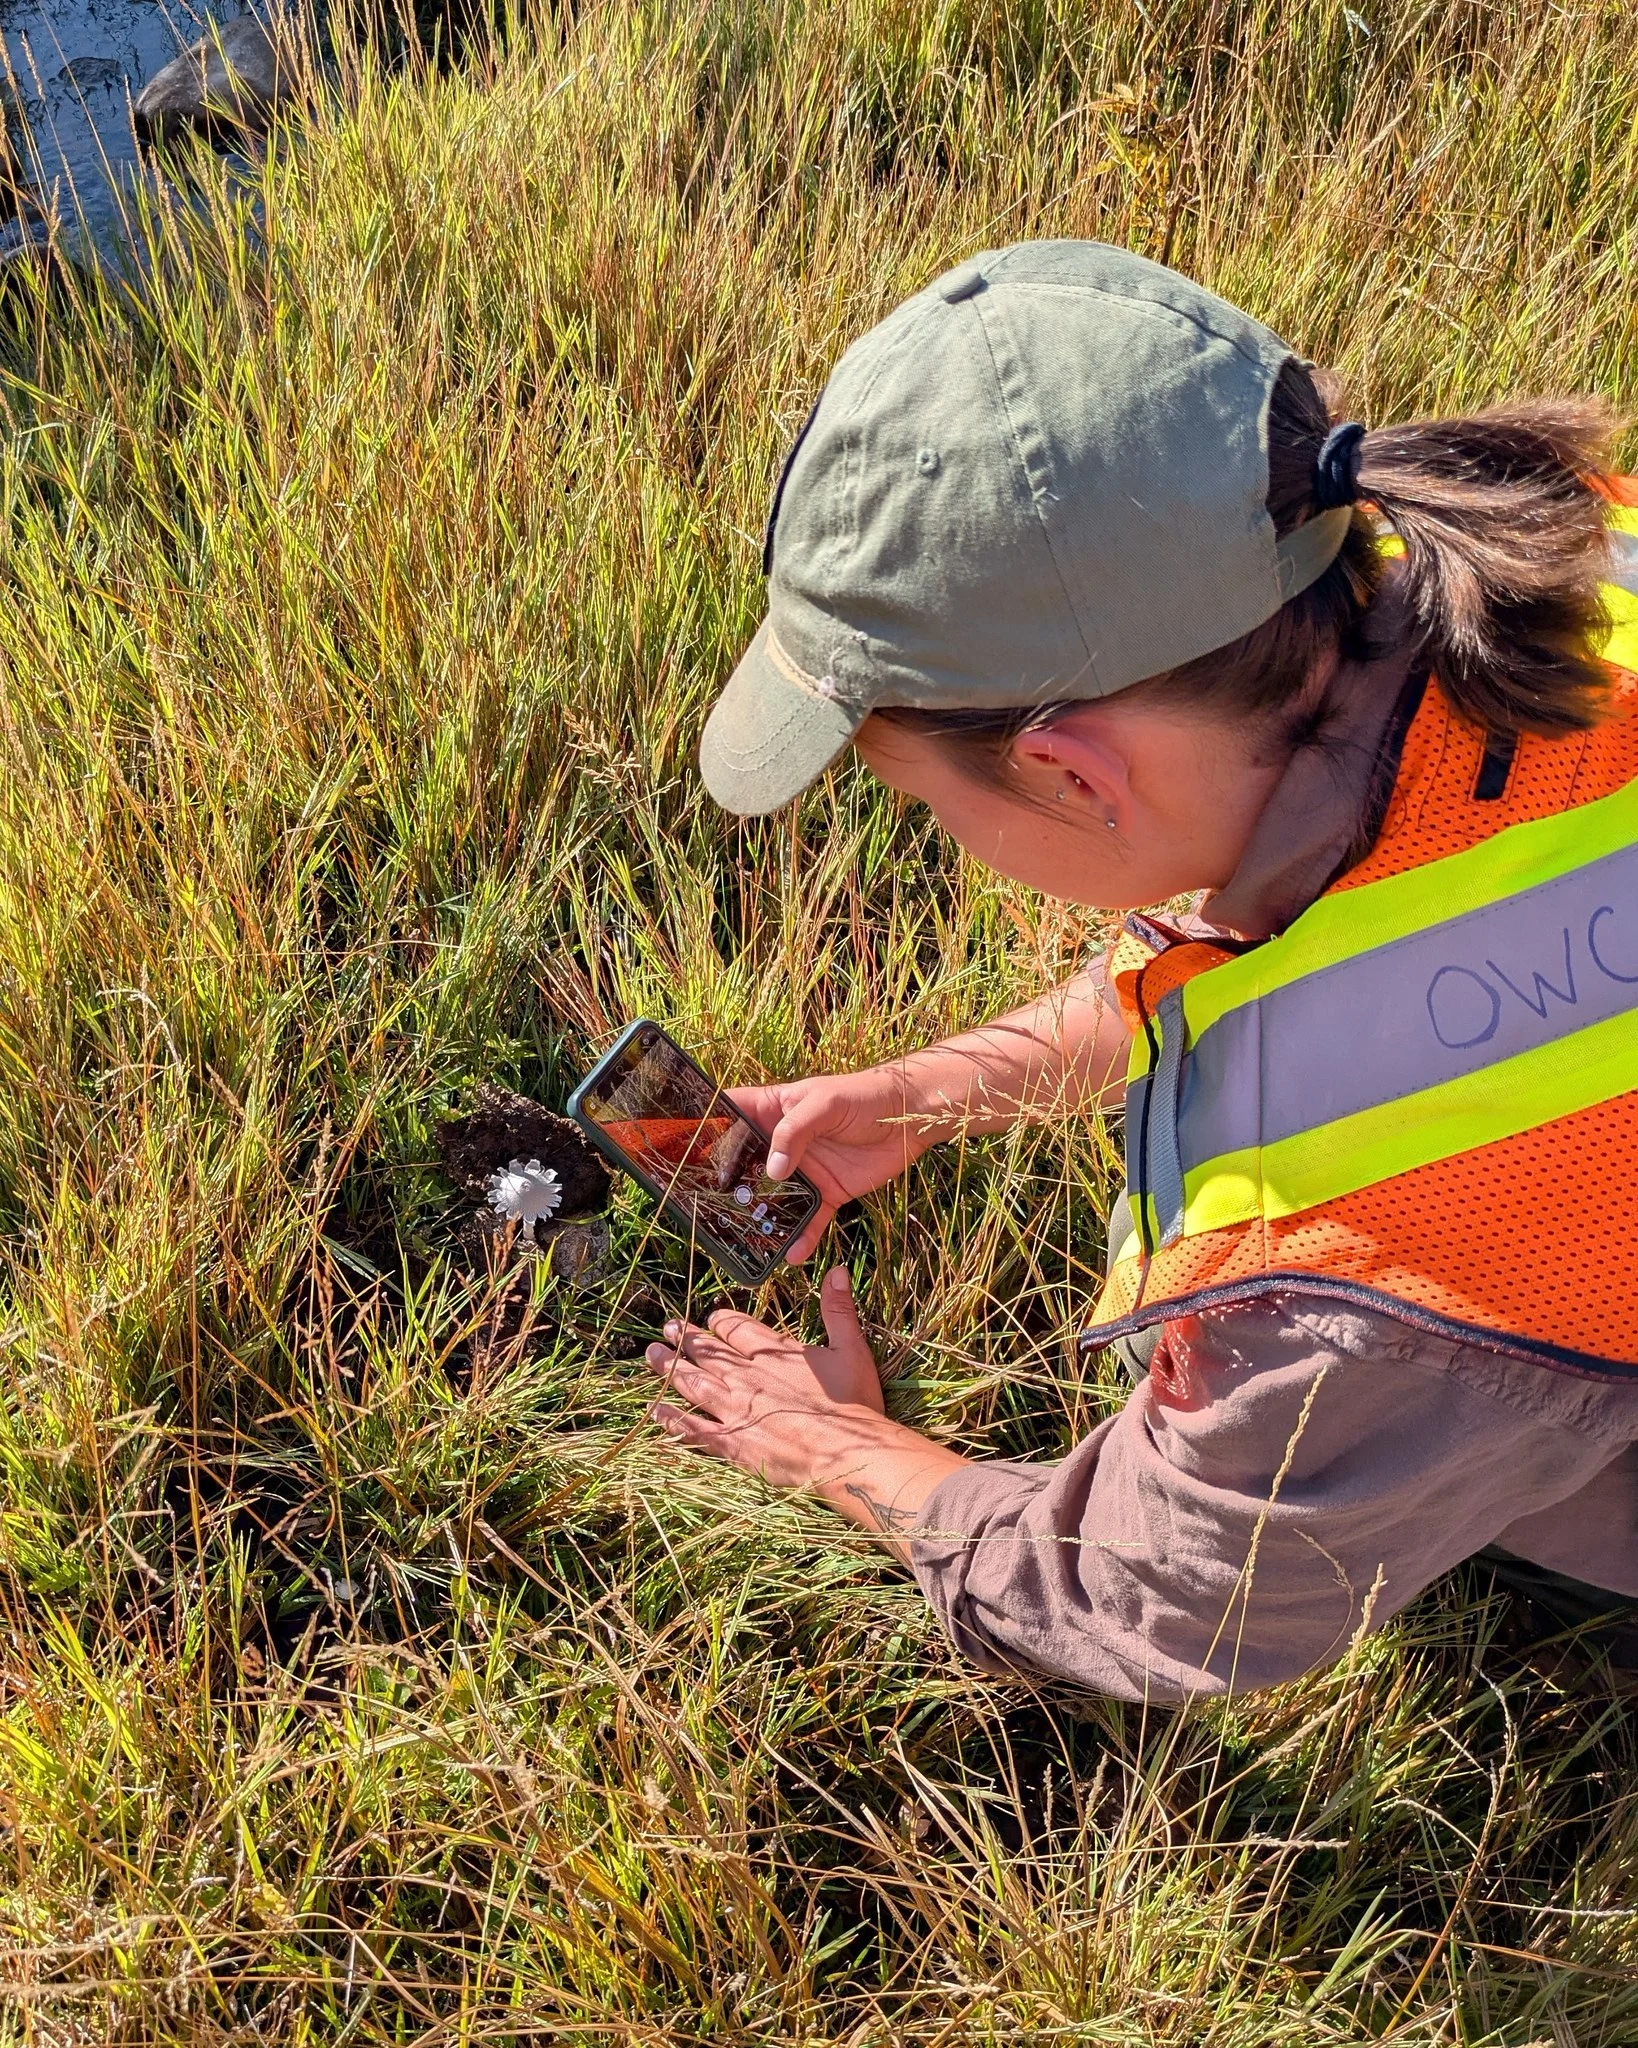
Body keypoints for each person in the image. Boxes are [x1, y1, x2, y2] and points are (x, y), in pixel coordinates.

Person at [641, 240, 1638, 1700]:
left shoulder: (1349, 1300)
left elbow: (1154, 1605)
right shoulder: (1570, 565)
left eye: (924, 803)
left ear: (1067, 773)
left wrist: (841, 1449)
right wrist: (931, 1091)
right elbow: (1372, 959)